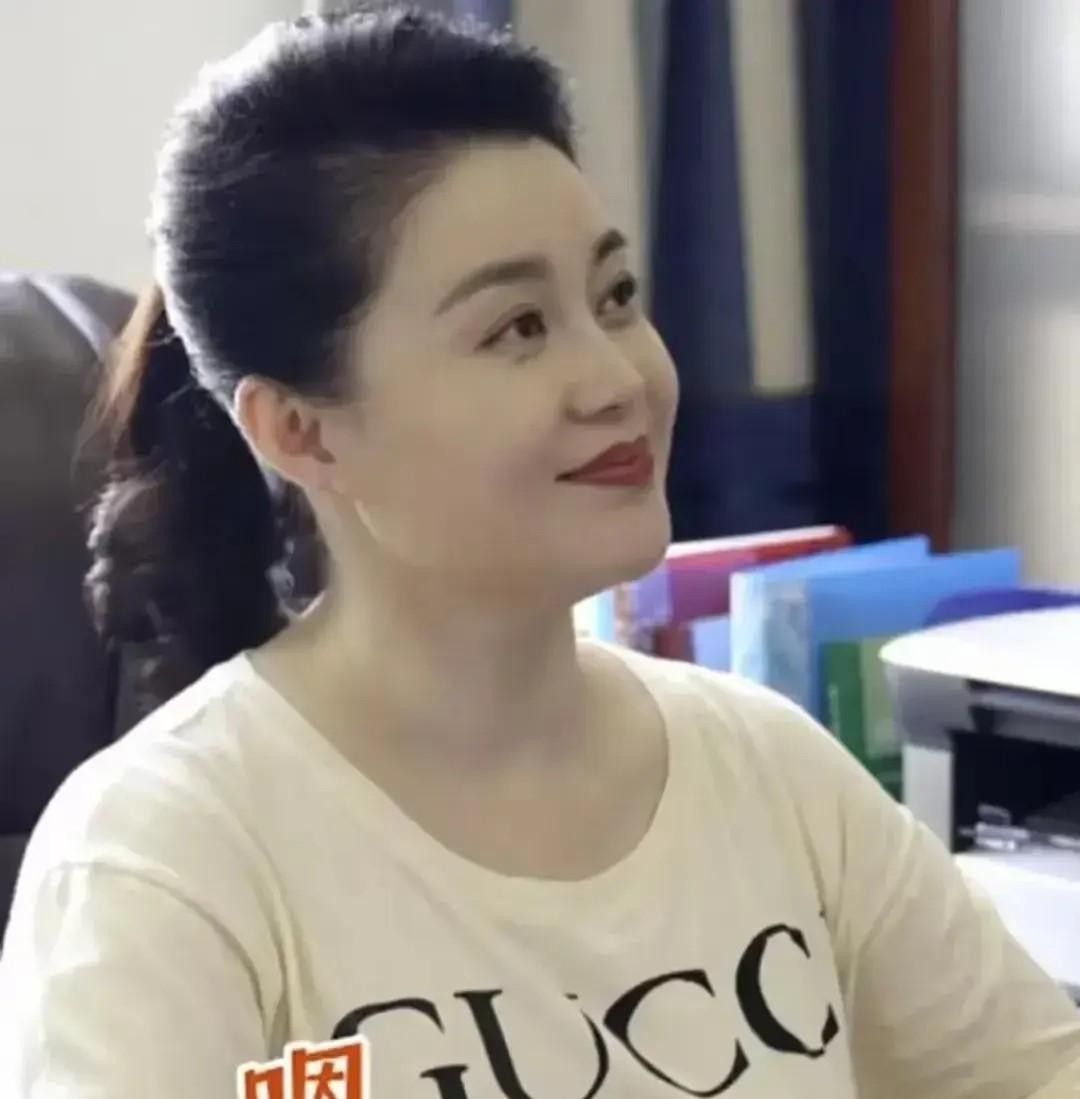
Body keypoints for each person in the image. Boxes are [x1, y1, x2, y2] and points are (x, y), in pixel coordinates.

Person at [1, 7, 1078, 1097]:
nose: (617, 377)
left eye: (615, 298)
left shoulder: (769, 771)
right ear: (302, 432)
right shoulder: (161, 862)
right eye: (517, 327)